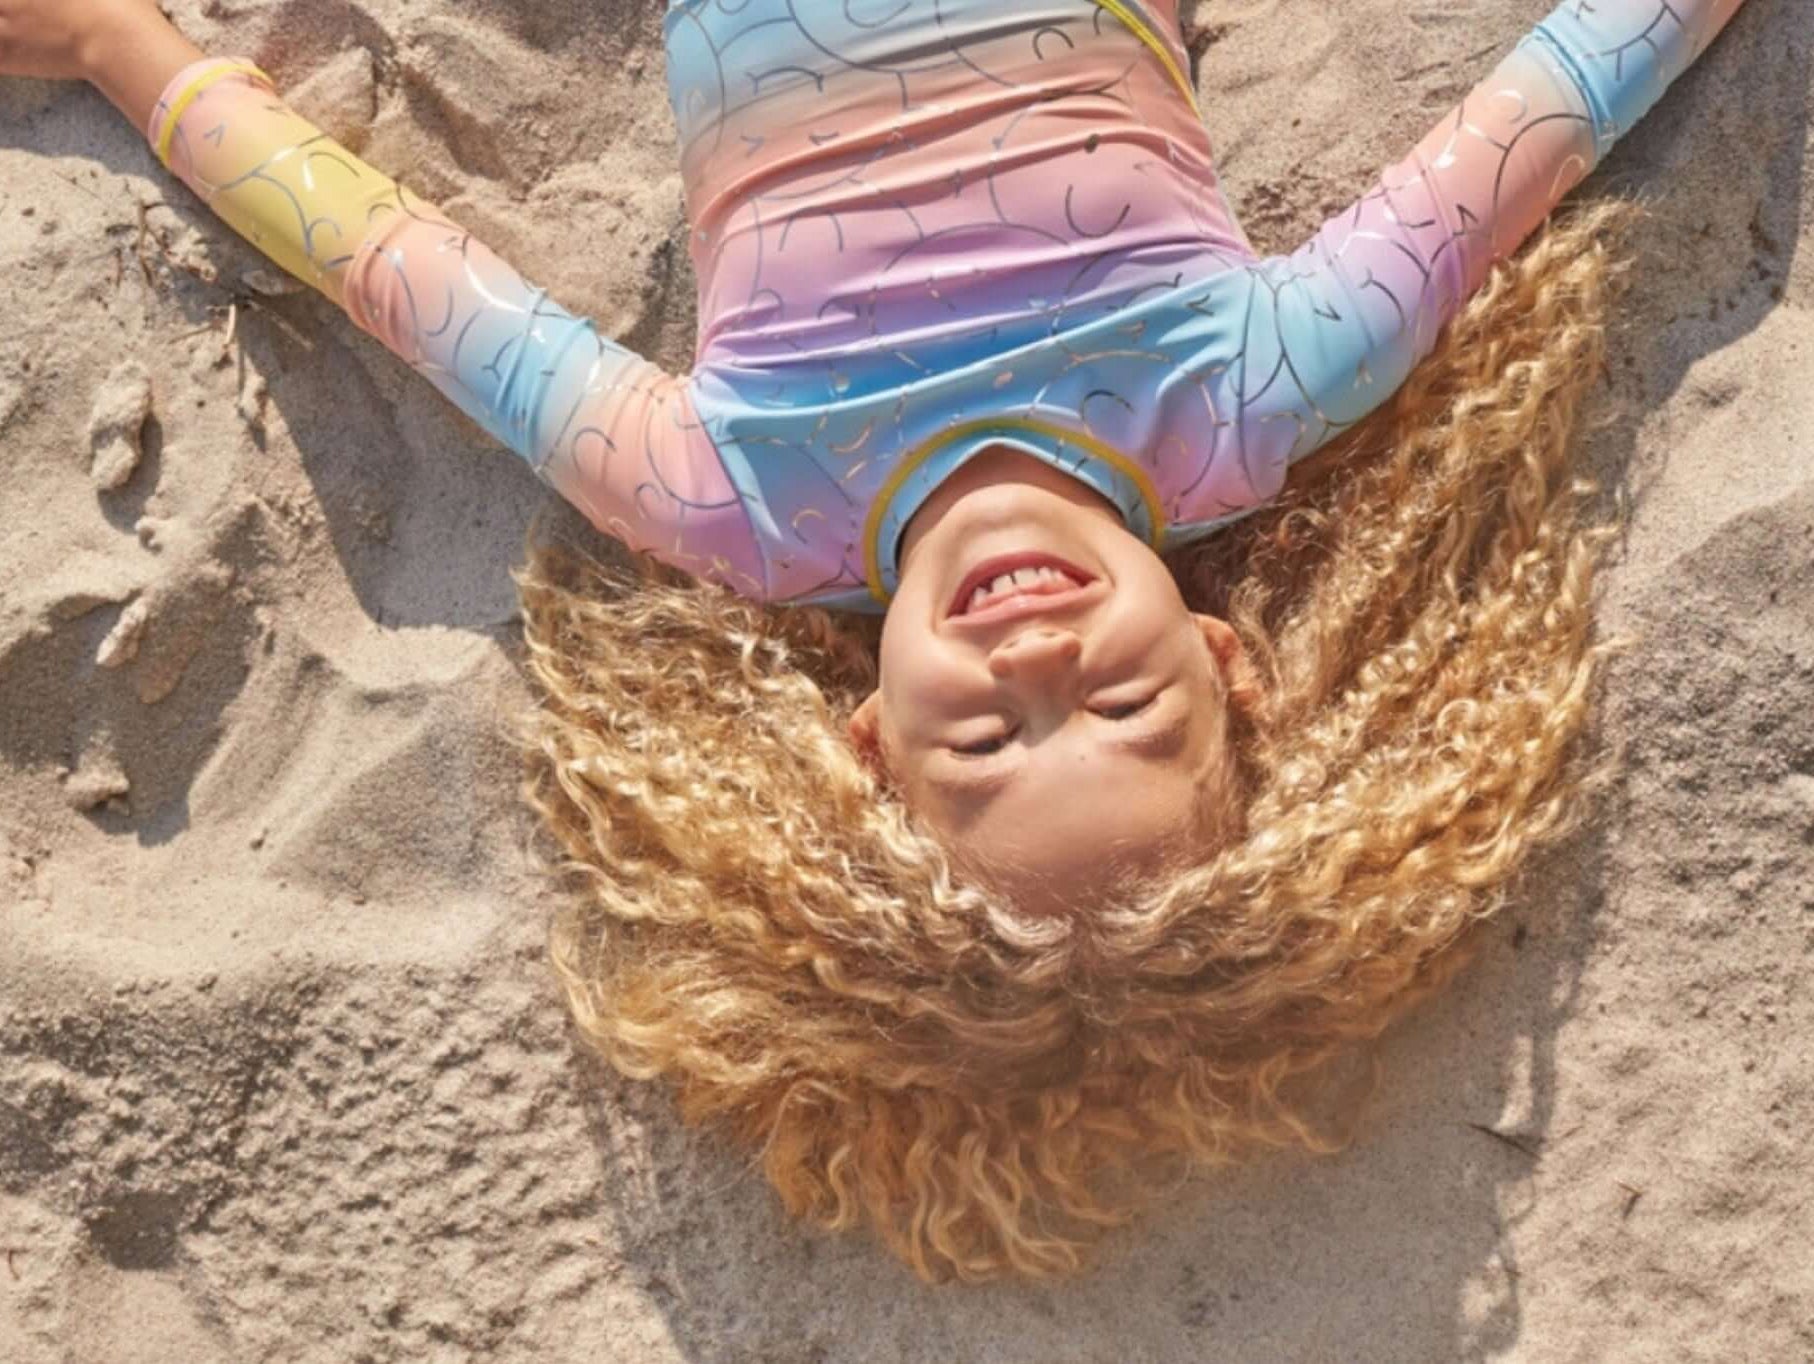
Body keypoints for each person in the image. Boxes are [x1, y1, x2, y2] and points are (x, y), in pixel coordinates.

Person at [1, 0, 1755, 1279]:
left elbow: (401, 272)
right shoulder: (1244, 401)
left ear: (871, 749)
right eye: (1126, 704)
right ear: (1228, 660)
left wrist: (120, 58)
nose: (1033, 663)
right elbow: (1553, 102)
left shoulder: (732, 508)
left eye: (987, 741)